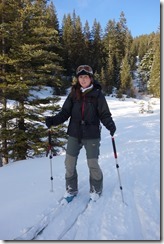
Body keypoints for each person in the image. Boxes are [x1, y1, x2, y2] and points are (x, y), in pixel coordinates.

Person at [45, 65, 116, 202]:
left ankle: (96, 190)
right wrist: (53, 120)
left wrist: (110, 124)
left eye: (85, 77)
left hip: (92, 135)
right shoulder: (73, 94)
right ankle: (71, 189)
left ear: (91, 78)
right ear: (78, 79)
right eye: (80, 77)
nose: (83, 80)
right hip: (74, 133)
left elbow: (104, 114)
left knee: (92, 163)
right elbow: (65, 113)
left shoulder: (97, 95)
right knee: (69, 163)